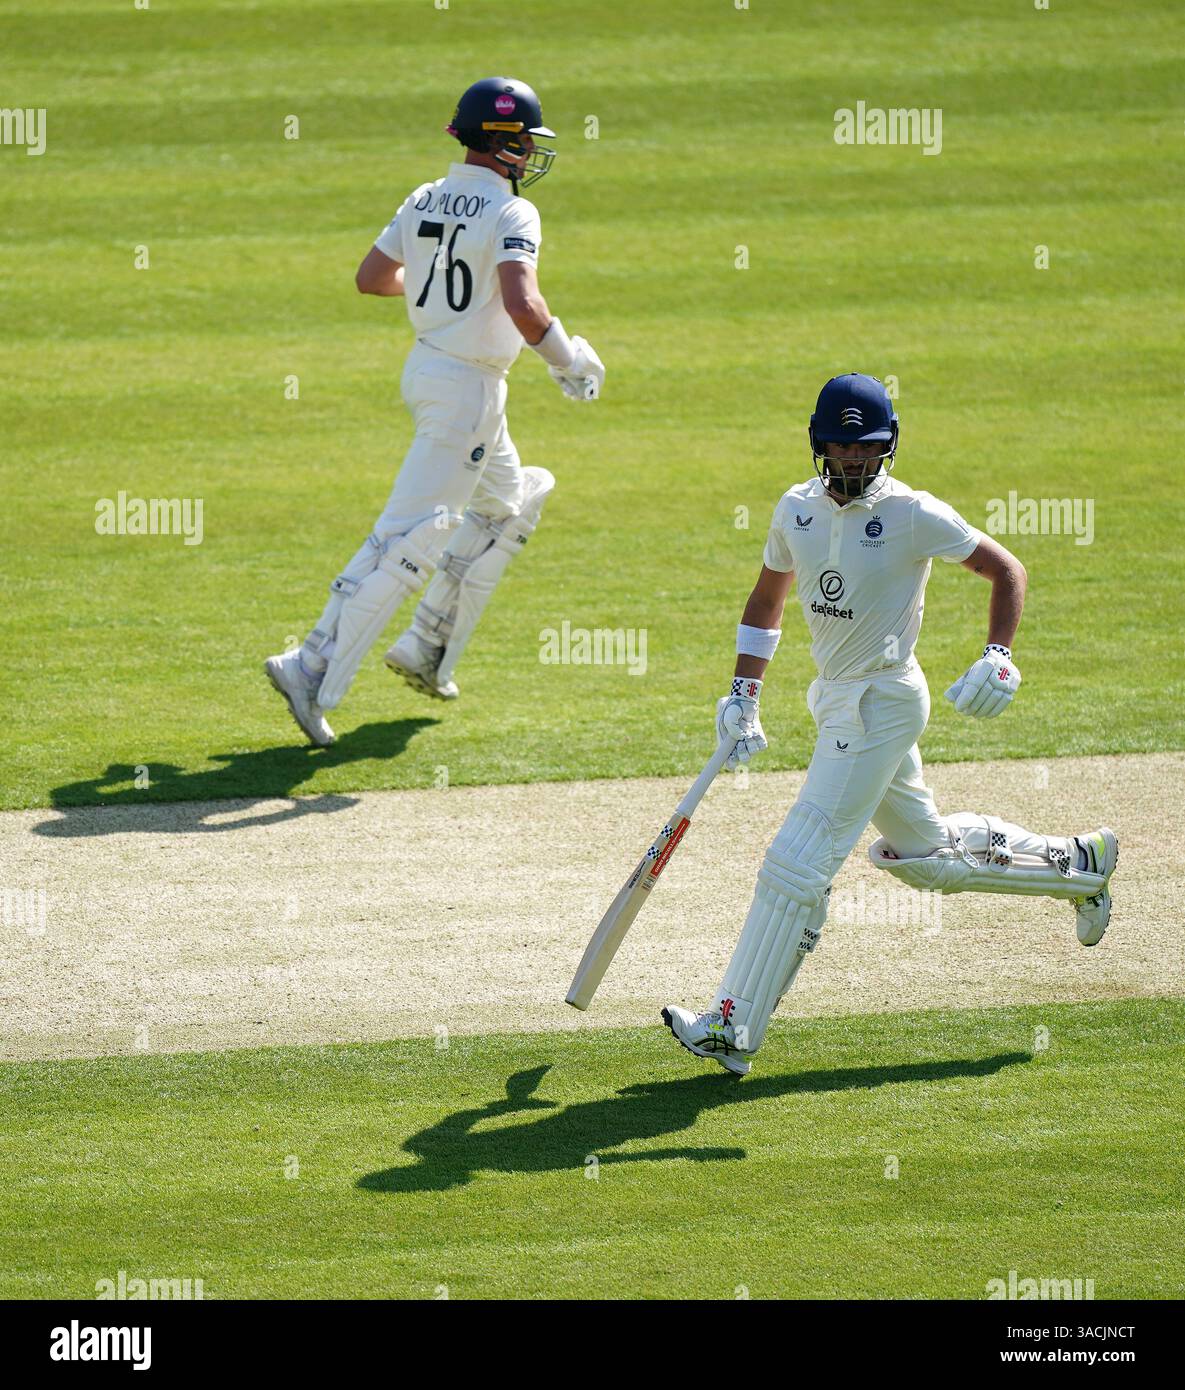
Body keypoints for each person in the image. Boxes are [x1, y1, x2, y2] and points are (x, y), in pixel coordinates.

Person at [663, 373, 1118, 1075]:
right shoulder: (794, 511)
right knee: (925, 858)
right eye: (840, 448)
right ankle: (1078, 866)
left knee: (796, 861)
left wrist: (998, 654)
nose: (852, 461)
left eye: (865, 448)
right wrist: (741, 696)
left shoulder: (912, 513)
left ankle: (731, 1026)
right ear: (818, 445)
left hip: (882, 700)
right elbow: (765, 605)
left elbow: (1006, 570)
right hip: (834, 698)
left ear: (887, 447)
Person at [266, 77, 603, 745]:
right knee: (410, 534)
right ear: (501, 141)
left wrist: (441, 300)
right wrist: (568, 363)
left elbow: (372, 277)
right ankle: (312, 665)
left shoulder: (424, 196)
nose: (531, 152)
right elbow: (522, 303)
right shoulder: (512, 212)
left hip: (426, 370)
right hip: (468, 392)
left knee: (509, 501)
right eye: (525, 140)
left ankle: (428, 646)